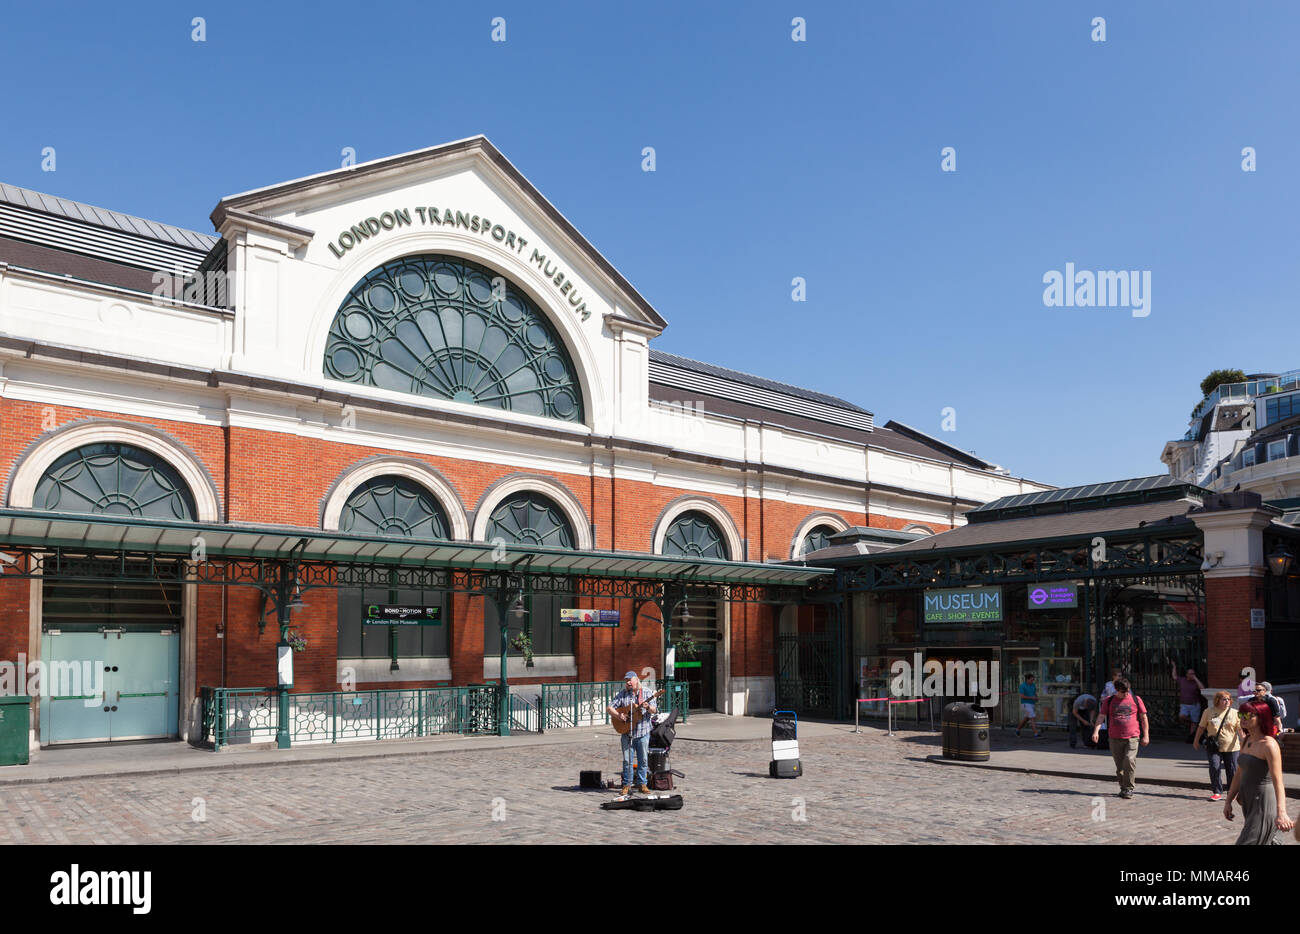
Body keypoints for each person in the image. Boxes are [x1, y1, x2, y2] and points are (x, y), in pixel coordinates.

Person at [1223, 699, 1294, 844]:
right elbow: (1239, 773)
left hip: (1263, 802)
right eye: (1241, 714)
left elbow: (1278, 782)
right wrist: (1228, 800)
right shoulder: (1246, 740)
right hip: (1249, 802)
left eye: (1248, 715)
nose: (1243, 718)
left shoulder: (1269, 745)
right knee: (1269, 840)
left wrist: (1281, 812)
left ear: (1261, 717)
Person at [1092, 678, 1149, 799]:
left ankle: (1129, 788)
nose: (1126, 694)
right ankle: (1123, 788)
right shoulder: (1109, 701)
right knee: (1120, 767)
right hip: (1115, 738)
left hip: (1132, 736)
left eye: (1128, 691)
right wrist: (1096, 731)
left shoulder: (1136, 699)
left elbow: (1144, 718)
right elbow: (1101, 717)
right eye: (1124, 692)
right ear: (1117, 690)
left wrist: (1146, 735)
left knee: (1129, 760)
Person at [606, 670, 657, 795]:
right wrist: (618, 716)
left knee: (643, 760)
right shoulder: (623, 694)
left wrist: (647, 707)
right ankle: (627, 785)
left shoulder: (647, 692)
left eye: (630, 680)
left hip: (643, 732)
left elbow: (654, 710)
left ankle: (642, 784)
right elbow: (609, 708)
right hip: (627, 733)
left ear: (636, 680)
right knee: (627, 760)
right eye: (626, 681)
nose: (628, 682)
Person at [1193, 691, 1242, 801]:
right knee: (1214, 767)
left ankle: (1232, 791)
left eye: (1228, 699)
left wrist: (1245, 740)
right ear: (1217, 700)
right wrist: (1196, 741)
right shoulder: (1208, 711)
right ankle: (1217, 791)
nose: (1227, 701)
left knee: (1232, 770)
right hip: (1214, 746)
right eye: (1224, 699)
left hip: (1232, 747)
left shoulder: (1236, 712)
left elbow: (1240, 729)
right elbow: (1201, 727)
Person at [1171, 660, 1206, 742]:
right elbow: (1174, 676)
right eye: (1190, 674)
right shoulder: (1182, 680)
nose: (1192, 675)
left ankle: (1191, 738)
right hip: (1184, 705)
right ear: (1187, 674)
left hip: (1194, 705)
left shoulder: (1195, 682)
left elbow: (1203, 689)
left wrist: (1196, 679)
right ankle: (1191, 722)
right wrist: (1174, 667)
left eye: (1193, 674)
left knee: (1194, 723)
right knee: (1182, 716)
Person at [1016, 673, 1039, 737]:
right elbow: (1022, 696)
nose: (1032, 681)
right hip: (1025, 704)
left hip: (1032, 704)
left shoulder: (1033, 685)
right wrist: (1032, 697)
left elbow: (1034, 693)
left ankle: (1017, 730)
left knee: (1026, 719)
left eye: (1033, 680)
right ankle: (1036, 733)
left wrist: (1036, 698)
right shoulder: (1022, 686)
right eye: (1031, 680)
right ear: (1027, 680)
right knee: (1032, 717)